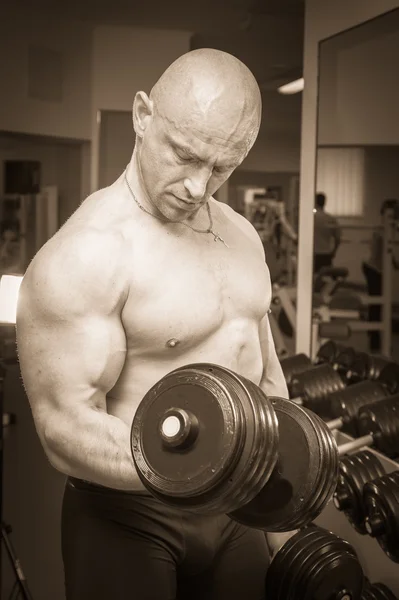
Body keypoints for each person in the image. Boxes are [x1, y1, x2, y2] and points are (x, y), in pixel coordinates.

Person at [16, 49, 290, 600]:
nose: (198, 186)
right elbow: (63, 428)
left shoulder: (242, 236)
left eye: (223, 166)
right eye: (185, 156)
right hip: (129, 514)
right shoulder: (88, 254)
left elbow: (261, 367)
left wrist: (282, 503)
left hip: (237, 508)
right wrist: (205, 470)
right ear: (143, 116)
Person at [362, 199, 399, 352]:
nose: (389, 219)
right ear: (383, 215)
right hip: (373, 269)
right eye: (387, 215)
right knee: (376, 304)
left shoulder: (388, 231)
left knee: (379, 304)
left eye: (392, 216)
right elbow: (382, 252)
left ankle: (377, 337)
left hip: (378, 269)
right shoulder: (381, 231)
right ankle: (374, 340)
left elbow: (389, 254)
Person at [313, 192, 341, 273]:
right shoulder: (330, 219)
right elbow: (338, 239)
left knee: (311, 278)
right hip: (325, 254)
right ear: (325, 202)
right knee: (325, 278)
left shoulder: (311, 218)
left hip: (313, 253)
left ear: (315, 202)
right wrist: (334, 252)